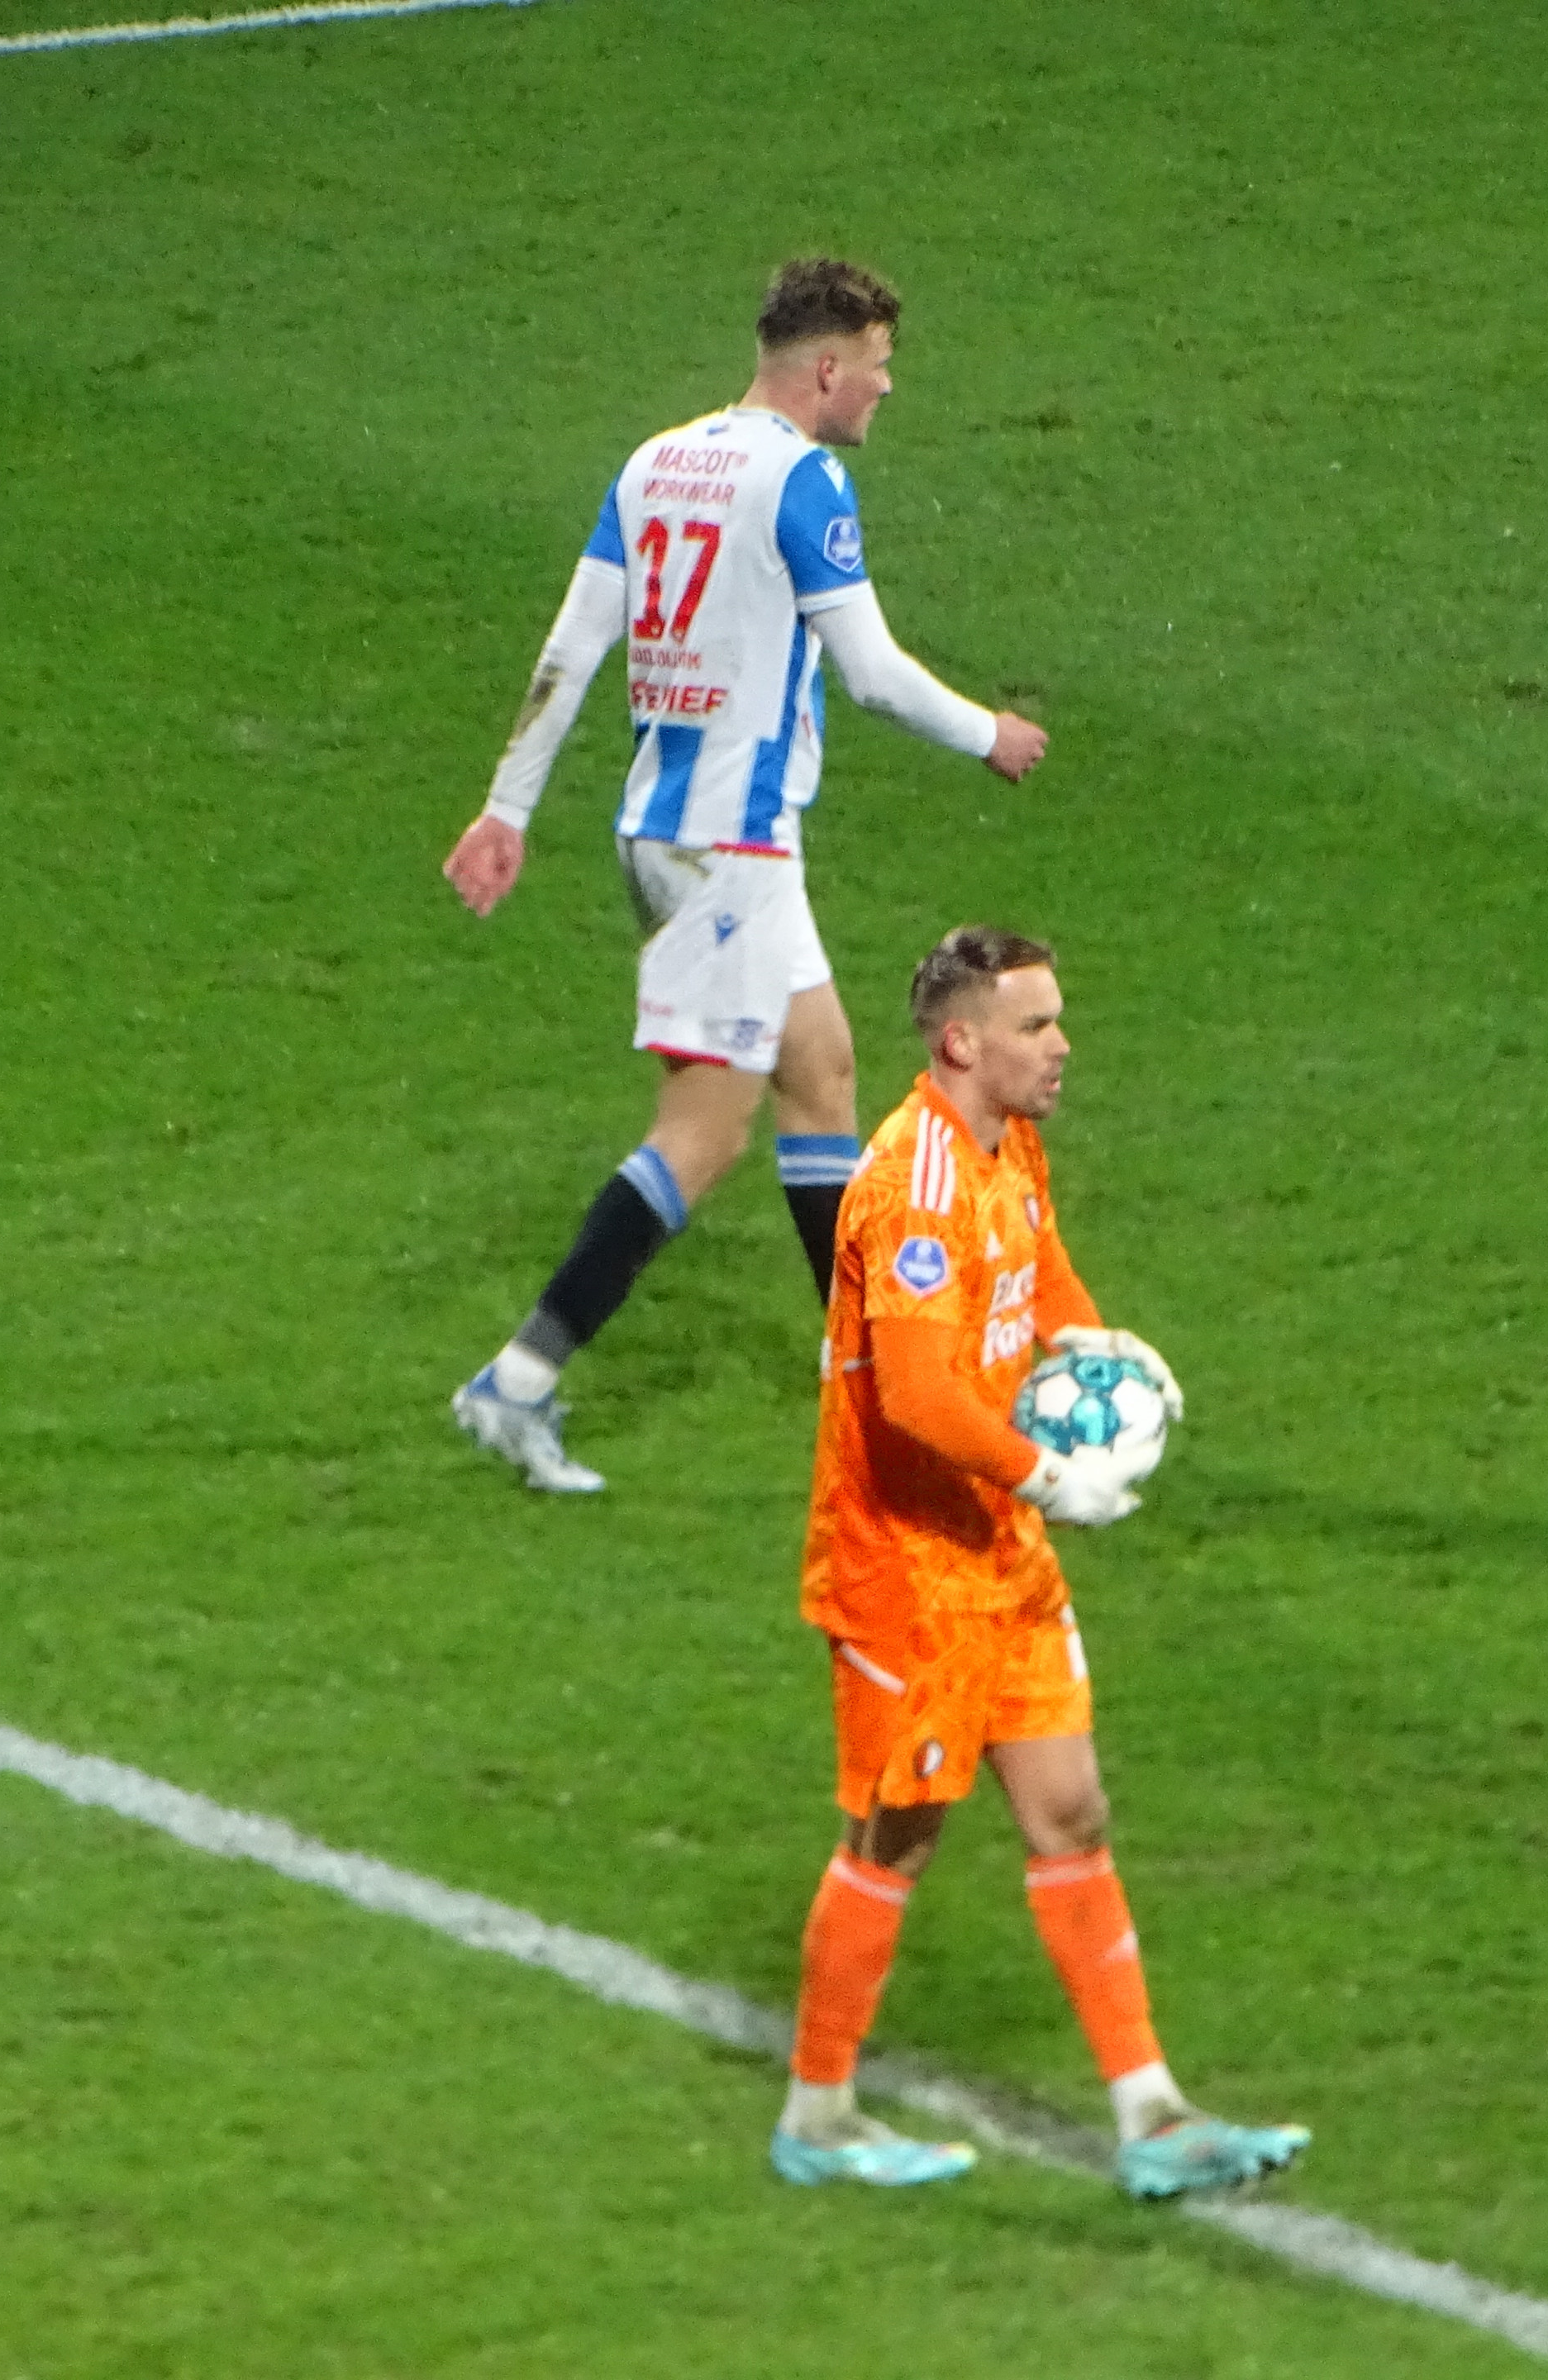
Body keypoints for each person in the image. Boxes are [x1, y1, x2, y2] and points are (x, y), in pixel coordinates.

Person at [441, 258, 1050, 1493]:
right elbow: (869, 672)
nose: (884, 391)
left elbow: (573, 644)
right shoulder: (805, 478)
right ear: (826, 367)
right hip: (734, 845)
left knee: (821, 1076)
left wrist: (508, 806)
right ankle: (517, 1383)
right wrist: (989, 733)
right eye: (877, 367)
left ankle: (882, 1390)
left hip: (668, 831)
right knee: (704, 1135)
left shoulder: (654, 461)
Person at [767, 926, 1312, 2198]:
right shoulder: (912, 1187)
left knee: (1070, 1811)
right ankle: (820, 2112)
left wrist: (1108, 1350)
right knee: (895, 1837)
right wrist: (1051, 1473)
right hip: (905, 1571)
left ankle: (1153, 2116)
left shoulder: (1010, 1154)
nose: (1062, 1046)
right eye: (1037, 1026)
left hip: (997, 1556)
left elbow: (1045, 1284)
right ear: (964, 1040)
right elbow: (913, 1394)